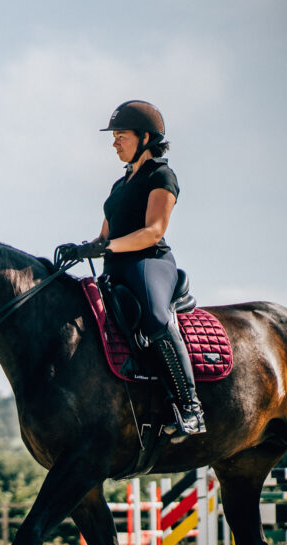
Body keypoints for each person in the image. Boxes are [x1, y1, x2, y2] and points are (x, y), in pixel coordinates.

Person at [55, 100, 206, 440]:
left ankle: (190, 407)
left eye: (121, 136)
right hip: (116, 265)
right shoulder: (119, 185)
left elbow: (153, 231)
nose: (114, 143)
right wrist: (84, 248)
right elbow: (105, 235)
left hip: (150, 261)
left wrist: (106, 246)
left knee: (154, 315)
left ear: (146, 137)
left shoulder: (161, 176)